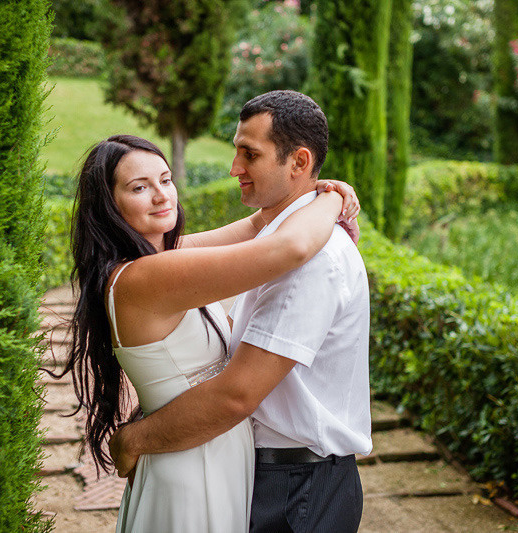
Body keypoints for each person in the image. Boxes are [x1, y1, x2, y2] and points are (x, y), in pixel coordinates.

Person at [60, 133, 359, 533]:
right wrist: (334, 200)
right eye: (139, 187)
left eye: (165, 180)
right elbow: (289, 248)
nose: (161, 196)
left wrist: (317, 190)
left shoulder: (163, 258)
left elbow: (257, 224)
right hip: (189, 465)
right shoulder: (147, 277)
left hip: (208, 455)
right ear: (108, 205)